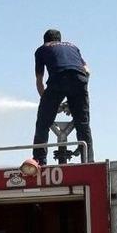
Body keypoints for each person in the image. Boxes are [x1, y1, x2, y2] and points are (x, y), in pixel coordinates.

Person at [32, 29, 92, 165]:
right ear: (60, 40)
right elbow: (87, 71)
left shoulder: (42, 49)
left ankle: (39, 161)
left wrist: (47, 102)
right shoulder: (73, 47)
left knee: (43, 123)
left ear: (45, 40)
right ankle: (89, 162)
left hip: (58, 79)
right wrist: (75, 100)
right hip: (80, 79)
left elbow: (39, 80)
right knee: (83, 125)